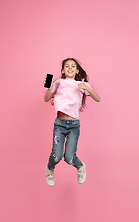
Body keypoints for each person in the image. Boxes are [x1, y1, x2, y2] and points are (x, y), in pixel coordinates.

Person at [44, 58, 101, 186]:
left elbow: (98, 98)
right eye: (67, 66)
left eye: (73, 66)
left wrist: (87, 88)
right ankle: (50, 168)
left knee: (69, 158)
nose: (70, 68)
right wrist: (50, 88)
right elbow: (46, 99)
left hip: (74, 126)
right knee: (56, 156)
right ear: (63, 70)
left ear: (76, 70)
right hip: (59, 124)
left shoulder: (81, 84)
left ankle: (80, 166)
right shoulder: (58, 82)